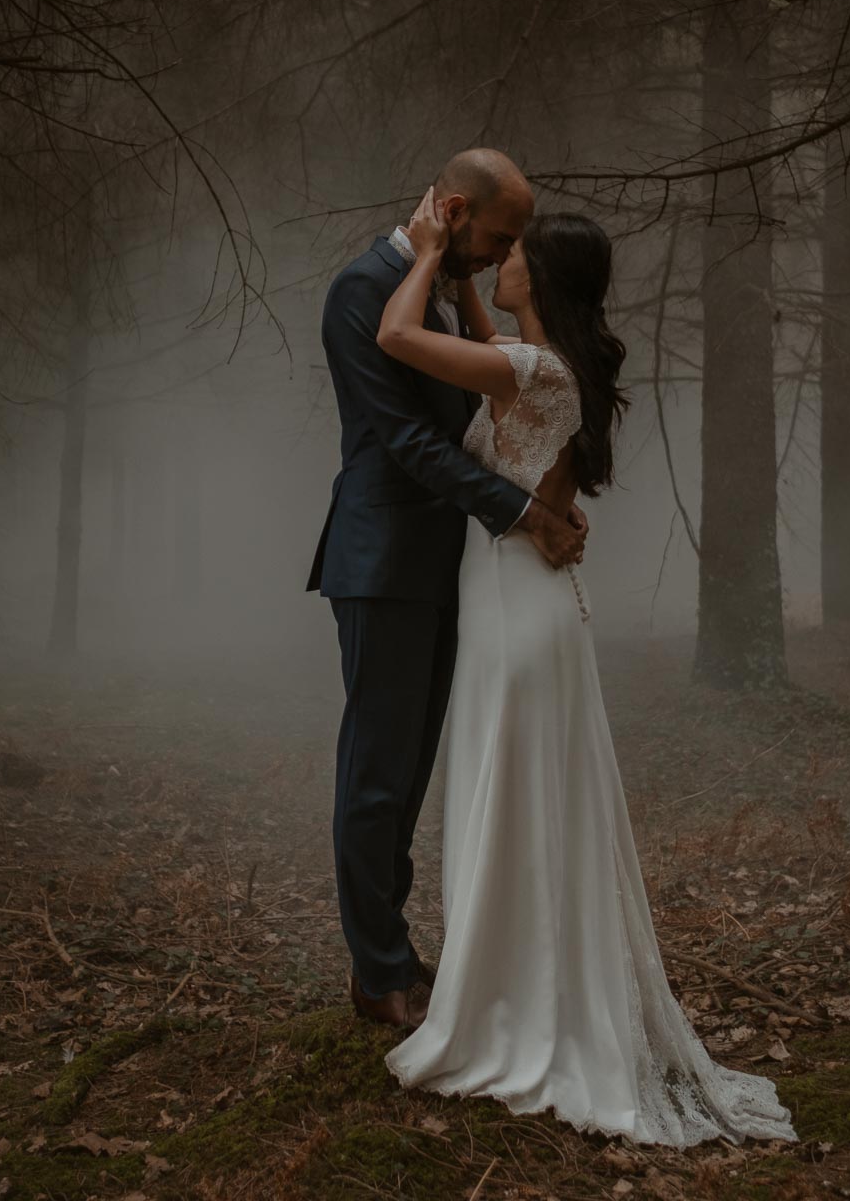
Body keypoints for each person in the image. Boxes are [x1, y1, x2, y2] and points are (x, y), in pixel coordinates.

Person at [368, 187, 798, 1146]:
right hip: (521, 606)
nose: (502, 256)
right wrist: (474, 291)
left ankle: (511, 1014)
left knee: (511, 801)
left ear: (542, 277)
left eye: (517, 251)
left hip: (518, 615)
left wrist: (427, 254)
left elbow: (399, 336)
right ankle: (518, 995)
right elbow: (497, 359)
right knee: (518, 802)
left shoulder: (533, 369)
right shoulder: (546, 365)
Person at [308, 149, 587, 1031]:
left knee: (412, 770)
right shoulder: (364, 289)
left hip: (444, 566)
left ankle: (394, 953)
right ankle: (377, 971)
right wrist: (523, 515)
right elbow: (405, 444)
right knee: (378, 774)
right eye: (499, 236)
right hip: (383, 561)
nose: (505, 254)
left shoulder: (434, 288)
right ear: (456, 210)